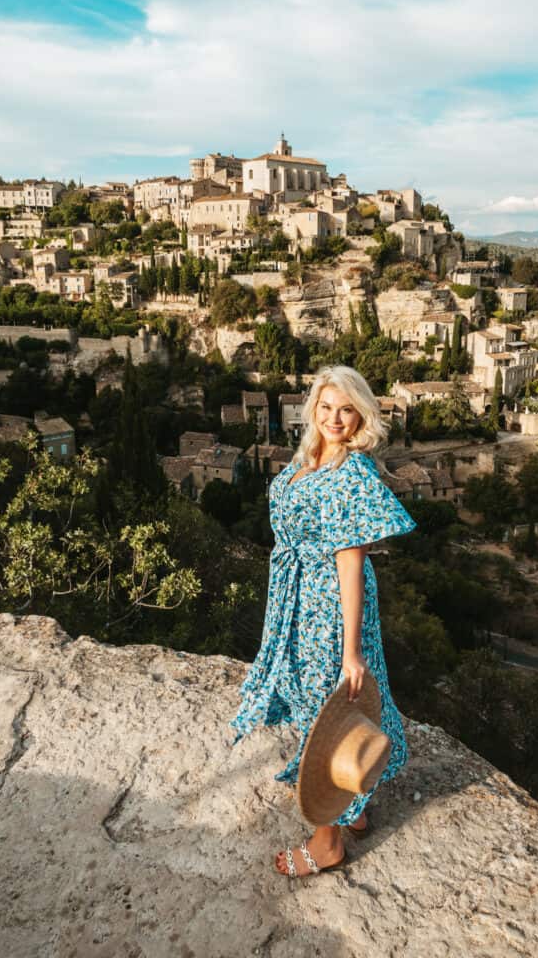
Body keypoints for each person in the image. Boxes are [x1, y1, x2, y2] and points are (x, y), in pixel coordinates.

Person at [229, 364, 417, 878]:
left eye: (346, 409)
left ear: (361, 415)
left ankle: (327, 840)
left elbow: (351, 566)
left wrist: (350, 650)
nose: (335, 418)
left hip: (330, 604)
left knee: (325, 709)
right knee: (331, 702)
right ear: (314, 407)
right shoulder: (310, 456)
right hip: (297, 593)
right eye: (327, 406)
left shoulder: (351, 472)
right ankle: (355, 803)